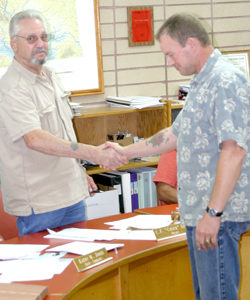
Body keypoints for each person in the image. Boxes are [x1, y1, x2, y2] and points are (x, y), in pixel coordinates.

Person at [105, 13, 250, 300]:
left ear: (192, 44)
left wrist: (213, 214)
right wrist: (125, 152)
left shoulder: (225, 81)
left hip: (217, 216)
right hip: (199, 212)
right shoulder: (201, 82)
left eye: (170, 54)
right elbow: (173, 135)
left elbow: (234, 151)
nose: (169, 62)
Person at [0, 10, 127, 236]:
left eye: (44, 37)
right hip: (41, 202)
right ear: (13, 44)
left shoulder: (50, 76)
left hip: (71, 193)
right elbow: (35, 138)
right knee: (45, 269)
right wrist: (93, 153)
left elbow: (64, 136)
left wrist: (78, 172)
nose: (40, 44)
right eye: (31, 39)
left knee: (80, 266)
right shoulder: (12, 87)